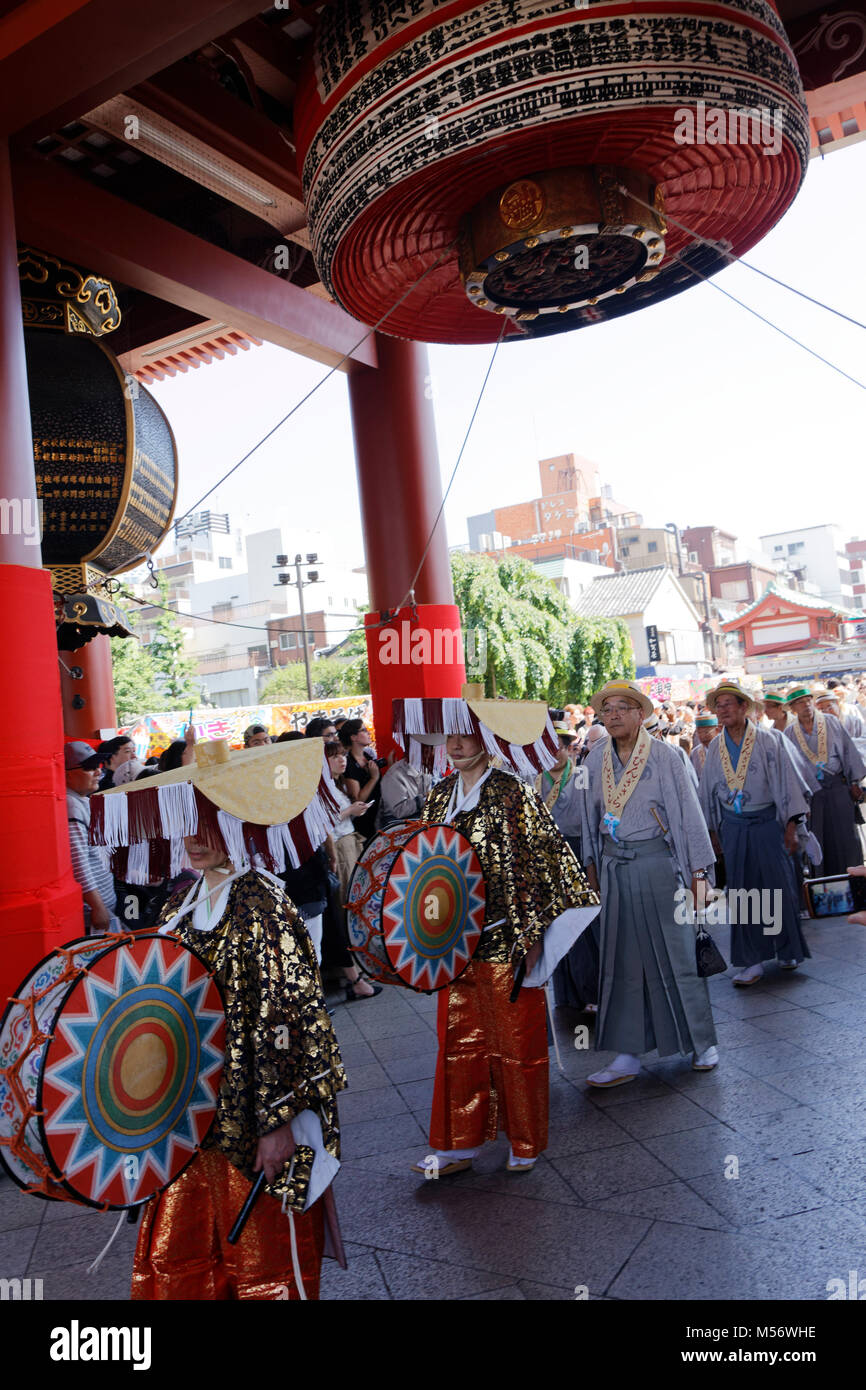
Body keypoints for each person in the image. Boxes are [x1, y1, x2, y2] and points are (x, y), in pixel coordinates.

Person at [91, 737, 347, 1300]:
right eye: (188, 821)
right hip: (187, 1118)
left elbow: (288, 1018)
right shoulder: (177, 905)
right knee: (179, 1251)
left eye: (210, 821)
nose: (194, 838)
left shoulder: (261, 903)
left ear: (239, 822)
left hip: (248, 1115)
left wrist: (278, 1121)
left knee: (260, 1258)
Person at [394, 690, 599, 1175]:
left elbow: (536, 864)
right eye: (452, 736)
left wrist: (532, 936)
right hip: (452, 944)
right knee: (458, 1042)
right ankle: (457, 1145)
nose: (458, 744)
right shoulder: (440, 794)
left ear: (488, 738)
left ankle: (525, 1139)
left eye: (469, 735)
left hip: (506, 936)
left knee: (517, 1043)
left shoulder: (512, 791)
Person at [580, 680, 719, 1087]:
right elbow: (588, 820)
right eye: (608, 709)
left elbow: (689, 816)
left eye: (624, 707)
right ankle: (627, 1054)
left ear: (641, 714)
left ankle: (701, 1042)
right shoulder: (593, 760)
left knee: (677, 955)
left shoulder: (666, 756)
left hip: (658, 864)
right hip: (613, 867)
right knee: (620, 961)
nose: (615, 715)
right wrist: (590, 866)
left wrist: (698, 876)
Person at [699, 681, 811, 986]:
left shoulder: (768, 740)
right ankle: (752, 960)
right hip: (733, 826)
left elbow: (789, 782)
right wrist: (711, 831)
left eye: (727, 704)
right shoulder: (714, 750)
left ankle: (787, 950)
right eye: (718, 706)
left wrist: (790, 826)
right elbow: (707, 792)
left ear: (743, 707)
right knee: (743, 892)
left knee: (779, 885)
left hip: (767, 823)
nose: (722, 710)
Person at [539, 726, 600, 1014]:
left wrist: (590, 864)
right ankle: (565, 995)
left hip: (578, 851)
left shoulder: (582, 776)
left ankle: (591, 991)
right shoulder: (534, 780)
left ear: (568, 748)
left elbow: (591, 822)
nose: (553, 753)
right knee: (556, 925)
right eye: (547, 747)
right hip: (548, 857)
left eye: (557, 746)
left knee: (583, 925)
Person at [323, 741, 382, 1001]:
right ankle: (353, 971)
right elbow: (322, 821)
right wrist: (349, 810)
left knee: (354, 905)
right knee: (347, 907)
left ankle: (359, 966)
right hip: (340, 850)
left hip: (349, 845)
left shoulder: (336, 785)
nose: (341, 760)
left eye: (342, 755)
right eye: (334, 757)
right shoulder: (319, 789)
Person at [785, 686, 865, 875]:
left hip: (837, 787)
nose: (806, 705)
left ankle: (854, 883)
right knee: (818, 840)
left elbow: (848, 751)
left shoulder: (830, 722)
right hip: (811, 796)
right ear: (792, 709)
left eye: (808, 700)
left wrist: (855, 783)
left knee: (846, 837)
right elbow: (791, 770)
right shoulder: (789, 734)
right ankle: (823, 889)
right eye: (800, 703)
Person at [65, 741, 122, 935]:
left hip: (103, 905)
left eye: (97, 766)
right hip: (94, 912)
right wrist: (97, 907)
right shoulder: (70, 805)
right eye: (89, 767)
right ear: (66, 774)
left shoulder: (81, 801)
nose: (98, 771)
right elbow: (78, 862)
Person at [340, 718, 381, 842]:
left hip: (378, 814)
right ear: (353, 737)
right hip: (364, 821)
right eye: (363, 730)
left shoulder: (367, 756)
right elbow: (358, 800)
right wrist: (374, 778)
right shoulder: (349, 764)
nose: (368, 733)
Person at [376, 749, 432, 831]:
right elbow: (399, 810)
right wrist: (424, 800)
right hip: (397, 827)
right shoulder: (394, 775)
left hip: (419, 824)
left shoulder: (426, 769)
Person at [690, 713, 719, 777]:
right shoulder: (694, 753)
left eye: (706, 732)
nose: (702, 736)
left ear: (717, 731)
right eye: (699, 732)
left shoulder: (725, 749)